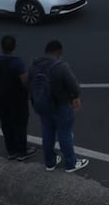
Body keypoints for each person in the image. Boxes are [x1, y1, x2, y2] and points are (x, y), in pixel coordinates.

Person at [29, 39, 87, 173]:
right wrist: (75, 97)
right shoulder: (60, 66)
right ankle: (70, 164)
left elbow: (29, 84)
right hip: (61, 105)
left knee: (47, 133)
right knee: (65, 133)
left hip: (42, 105)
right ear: (59, 52)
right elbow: (73, 85)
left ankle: (50, 162)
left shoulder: (34, 65)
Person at [0, 35, 36, 160]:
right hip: (17, 99)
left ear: (1, 46)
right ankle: (22, 151)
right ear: (14, 46)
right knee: (20, 124)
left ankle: (11, 150)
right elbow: (25, 81)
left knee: (6, 124)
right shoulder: (17, 62)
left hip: (2, 99)